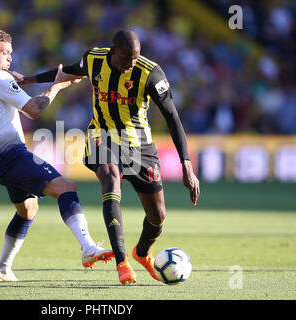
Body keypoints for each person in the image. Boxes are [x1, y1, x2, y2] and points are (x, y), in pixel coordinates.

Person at [17, 29, 200, 284]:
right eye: (127, 59)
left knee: (158, 216)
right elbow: (67, 71)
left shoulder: (151, 73)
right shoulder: (94, 59)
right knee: (110, 177)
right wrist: (27, 79)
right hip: (101, 135)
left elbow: (172, 117)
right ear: (114, 51)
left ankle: (142, 253)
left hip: (139, 145)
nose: (131, 64)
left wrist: (186, 164)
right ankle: (122, 262)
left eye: (135, 58)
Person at [0, 29, 114, 282]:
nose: (10, 57)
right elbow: (33, 110)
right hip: (11, 154)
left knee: (27, 210)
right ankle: (87, 248)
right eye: (4, 52)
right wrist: (57, 86)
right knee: (66, 187)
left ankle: (1, 269)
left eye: (11, 52)